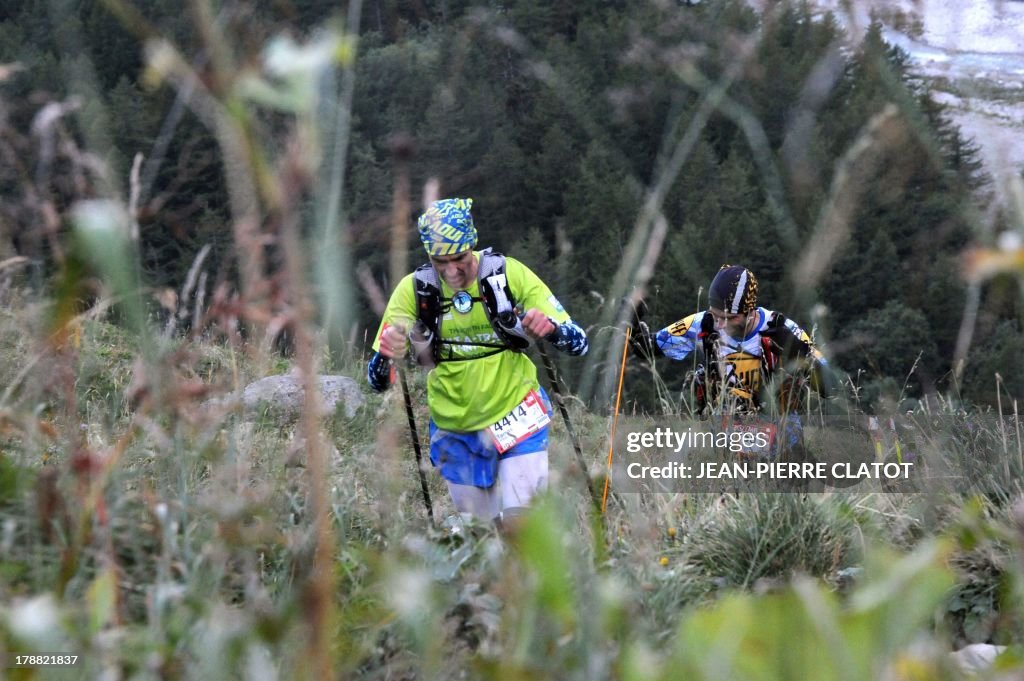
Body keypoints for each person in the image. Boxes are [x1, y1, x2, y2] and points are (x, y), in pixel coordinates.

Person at [367, 198, 588, 524]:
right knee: (483, 537)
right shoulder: (414, 290)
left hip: (517, 414)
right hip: (455, 427)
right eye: (440, 261)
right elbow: (377, 382)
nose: (451, 271)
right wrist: (386, 355)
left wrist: (551, 329)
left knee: (519, 526)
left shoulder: (508, 274)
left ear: (472, 245)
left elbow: (579, 344)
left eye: (459, 258)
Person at [633, 265, 828, 457]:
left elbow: (830, 386)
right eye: (716, 315)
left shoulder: (782, 328)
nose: (720, 324)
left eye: (730, 318)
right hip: (727, 439)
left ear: (751, 311)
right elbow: (648, 347)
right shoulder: (704, 322)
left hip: (782, 441)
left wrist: (799, 352)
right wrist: (633, 324)